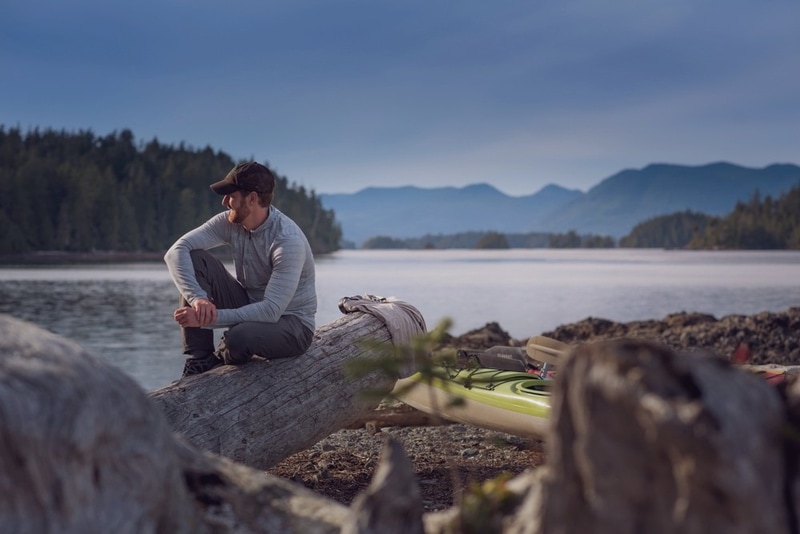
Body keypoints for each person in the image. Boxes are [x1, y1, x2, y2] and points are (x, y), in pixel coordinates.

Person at [164, 161, 317, 379]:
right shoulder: (231, 222)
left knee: (239, 338)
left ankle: (226, 352)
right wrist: (198, 299)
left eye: (231, 196)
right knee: (193, 258)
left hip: (292, 325)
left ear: (252, 198)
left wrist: (207, 320)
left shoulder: (287, 241)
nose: (225, 202)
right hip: (249, 305)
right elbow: (175, 251)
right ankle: (201, 359)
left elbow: (271, 310)